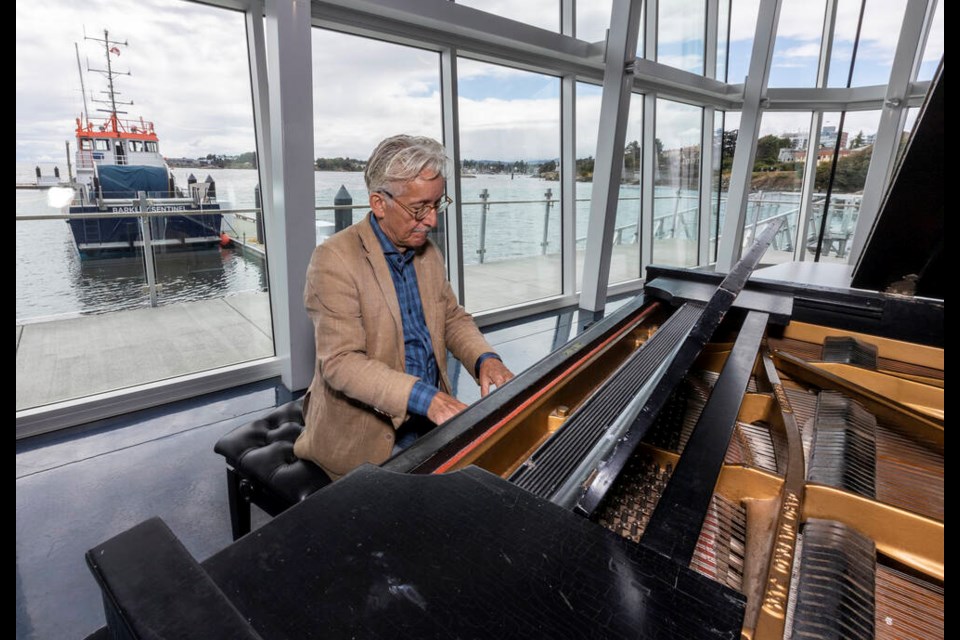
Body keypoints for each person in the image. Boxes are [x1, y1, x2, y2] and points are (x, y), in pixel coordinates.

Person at [294, 134, 514, 479]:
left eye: (437, 205)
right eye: (419, 208)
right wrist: (427, 398)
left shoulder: (428, 253)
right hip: (365, 435)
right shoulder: (334, 259)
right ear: (379, 203)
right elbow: (340, 363)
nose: (432, 221)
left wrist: (485, 358)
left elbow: (451, 319)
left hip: (428, 415)